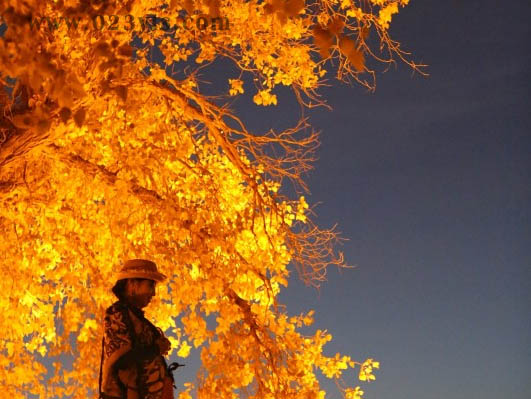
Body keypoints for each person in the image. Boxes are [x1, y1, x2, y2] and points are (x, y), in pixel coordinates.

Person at [99, 259, 180, 399]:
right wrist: (155, 349)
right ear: (133, 284)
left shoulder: (138, 320)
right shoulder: (117, 314)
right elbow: (121, 361)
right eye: (150, 285)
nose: (153, 293)